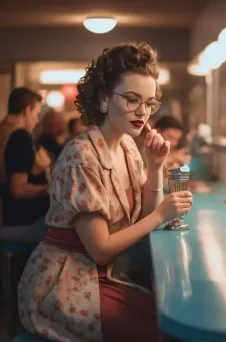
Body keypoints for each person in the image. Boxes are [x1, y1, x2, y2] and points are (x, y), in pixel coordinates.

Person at [18, 42, 192, 341]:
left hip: (105, 276)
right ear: (102, 97)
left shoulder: (127, 147)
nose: (143, 112)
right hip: (65, 283)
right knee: (163, 330)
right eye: (132, 99)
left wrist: (155, 167)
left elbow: (145, 217)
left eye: (149, 103)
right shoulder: (81, 155)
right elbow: (100, 250)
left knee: (172, 317)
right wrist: (162, 214)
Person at [0, 87, 50, 225]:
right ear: (27, 110)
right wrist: (50, 188)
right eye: (36, 113)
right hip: (21, 222)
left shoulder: (4, 130)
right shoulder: (20, 136)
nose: (37, 120)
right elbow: (18, 189)